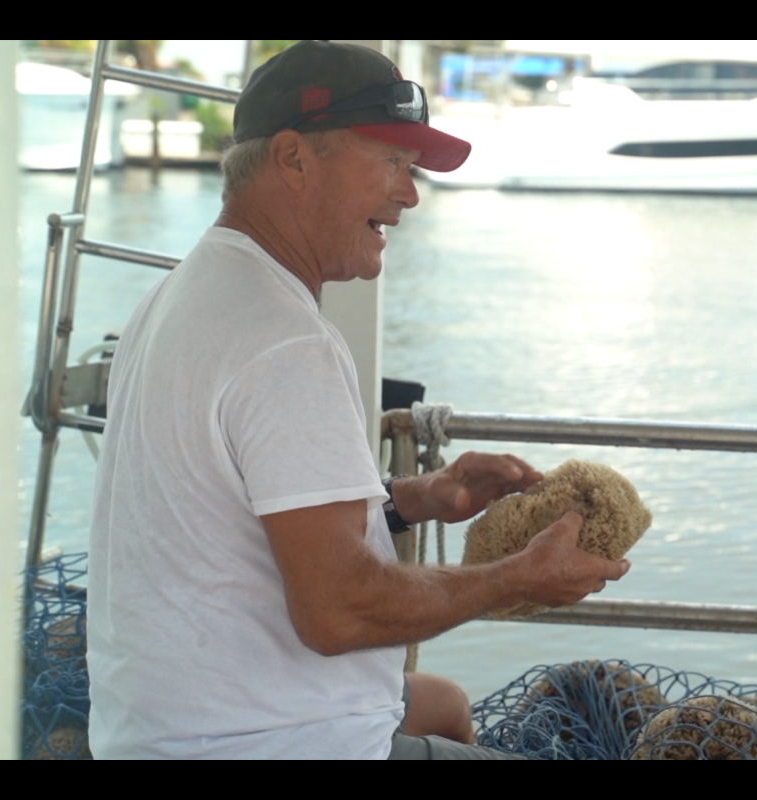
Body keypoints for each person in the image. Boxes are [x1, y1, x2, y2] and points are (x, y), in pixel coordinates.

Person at [85, 39, 632, 760]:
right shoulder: (285, 342)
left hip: (165, 725)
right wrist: (515, 578)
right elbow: (337, 613)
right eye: (393, 164)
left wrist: (412, 498)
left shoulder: (185, 294)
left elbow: (248, 506)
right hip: (266, 742)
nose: (409, 194)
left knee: (443, 703)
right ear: (293, 159)